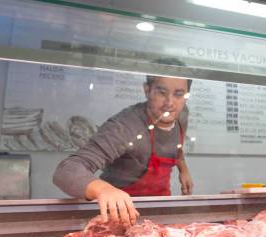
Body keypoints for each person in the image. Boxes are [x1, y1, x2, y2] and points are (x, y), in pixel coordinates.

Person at [54, 58, 194, 225]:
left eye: (179, 94)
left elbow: (176, 144)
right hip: (121, 214)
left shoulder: (182, 113)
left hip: (160, 206)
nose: (170, 103)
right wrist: (104, 189)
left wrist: (183, 168)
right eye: (161, 92)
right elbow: (66, 170)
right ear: (147, 90)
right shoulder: (124, 126)